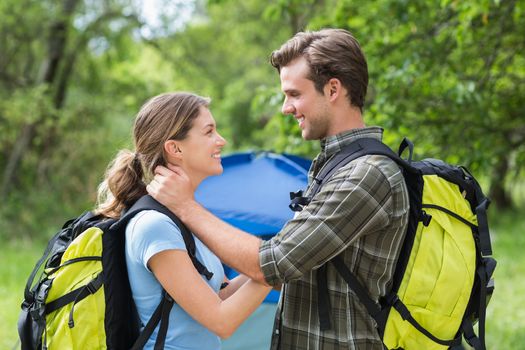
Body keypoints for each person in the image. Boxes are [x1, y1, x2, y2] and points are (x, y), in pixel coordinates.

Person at [147, 29, 410, 349]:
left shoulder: (369, 175)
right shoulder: (334, 167)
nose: (286, 107)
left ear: (333, 89)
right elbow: (289, 258)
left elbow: (276, 261)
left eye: (295, 94)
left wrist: (186, 206)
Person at [95, 92, 271, 349]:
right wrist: (281, 268)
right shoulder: (154, 226)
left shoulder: (184, 214)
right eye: (209, 132)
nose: (220, 140)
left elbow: (219, 295)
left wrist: (279, 252)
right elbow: (222, 321)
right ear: (175, 148)